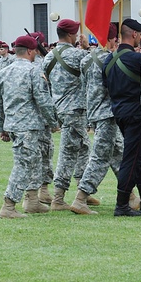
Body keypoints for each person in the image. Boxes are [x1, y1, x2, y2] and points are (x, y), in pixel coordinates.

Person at [0, 35, 56, 218]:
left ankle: (32, 201)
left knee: (34, 162)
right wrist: (53, 122)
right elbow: (43, 100)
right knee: (24, 164)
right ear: (30, 51)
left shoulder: (4, 72)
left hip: (14, 124)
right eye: (35, 51)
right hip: (28, 126)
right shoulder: (33, 71)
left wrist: (1, 127)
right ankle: (9, 205)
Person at [102, 19, 141, 216]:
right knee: (132, 158)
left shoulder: (108, 60)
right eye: (140, 35)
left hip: (119, 111)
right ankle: (122, 205)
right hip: (135, 113)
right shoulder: (138, 60)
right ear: (134, 35)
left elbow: (105, 85)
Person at [71, 23, 126, 215]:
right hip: (108, 113)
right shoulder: (112, 59)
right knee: (101, 157)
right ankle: (81, 197)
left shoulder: (86, 60)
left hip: (94, 111)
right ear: (112, 40)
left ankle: (132, 195)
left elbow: (85, 86)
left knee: (119, 153)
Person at [43, 19, 90, 211]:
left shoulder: (48, 56)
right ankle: (59, 197)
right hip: (75, 109)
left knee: (82, 147)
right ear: (72, 35)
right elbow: (93, 69)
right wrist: (86, 49)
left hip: (59, 107)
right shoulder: (77, 55)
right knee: (69, 152)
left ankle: (82, 190)